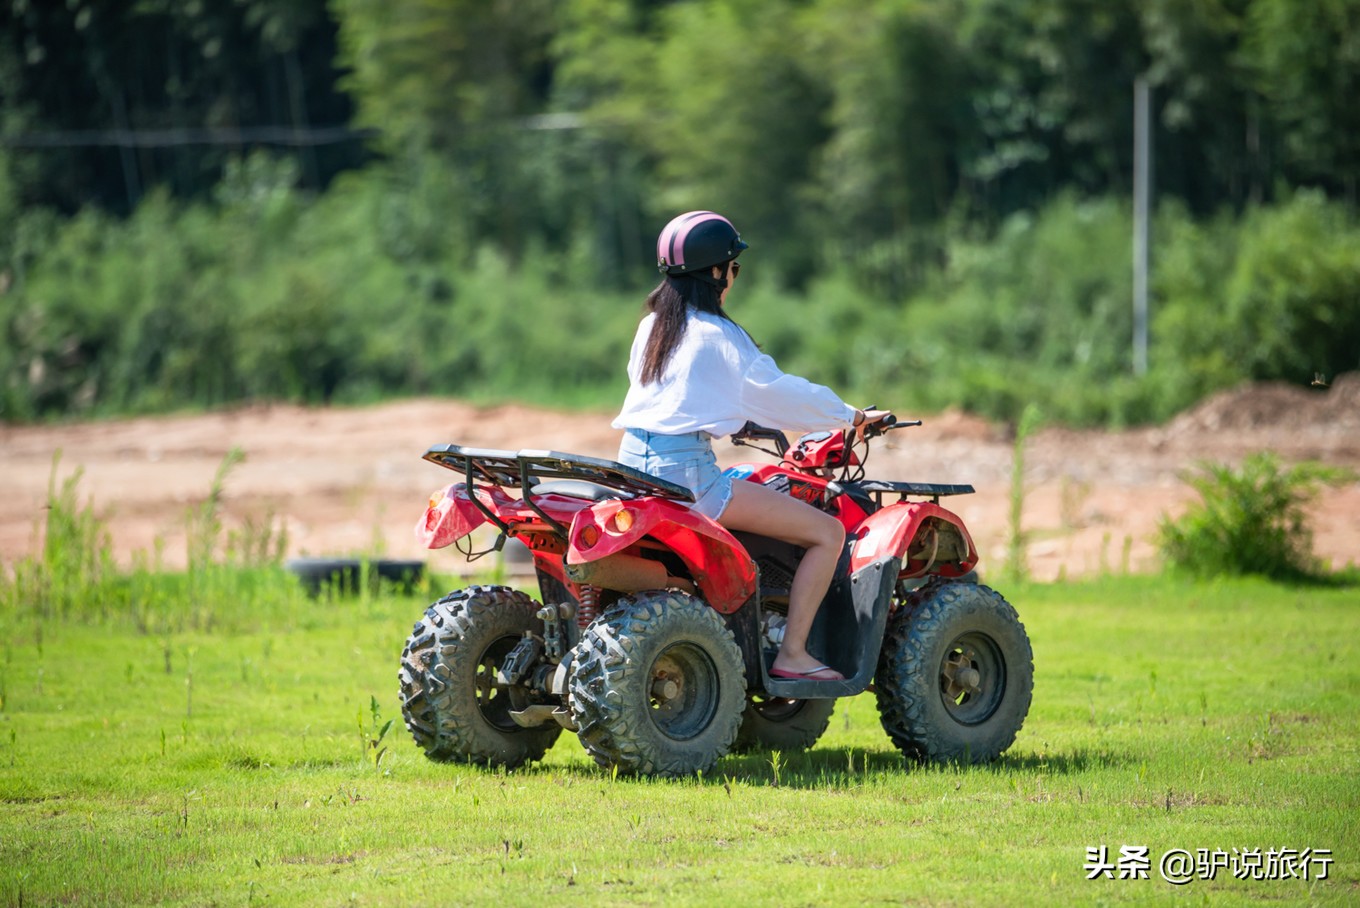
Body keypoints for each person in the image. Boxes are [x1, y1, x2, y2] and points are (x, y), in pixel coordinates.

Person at [613, 210, 889, 681]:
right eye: (733, 267)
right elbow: (781, 394)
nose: (734, 276)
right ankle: (794, 653)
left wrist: (732, 418)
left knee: (742, 480)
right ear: (717, 272)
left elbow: (679, 398)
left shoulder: (652, 329)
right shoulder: (720, 336)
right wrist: (852, 416)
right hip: (689, 480)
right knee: (828, 533)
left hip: (632, 469)